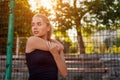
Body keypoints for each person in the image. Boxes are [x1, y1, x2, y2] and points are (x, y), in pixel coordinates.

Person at [25, 13, 67, 80]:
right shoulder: (32, 40)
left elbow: (64, 73)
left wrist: (55, 54)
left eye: (39, 24)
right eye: (33, 24)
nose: (35, 27)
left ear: (48, 27)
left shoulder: (54, 45)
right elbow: (60, 47)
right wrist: (58, 48)